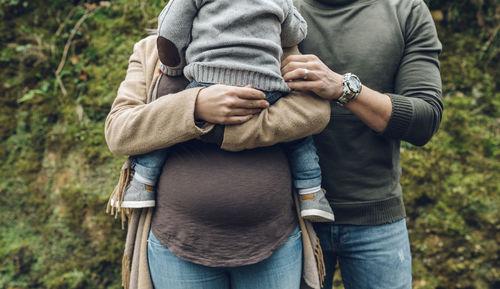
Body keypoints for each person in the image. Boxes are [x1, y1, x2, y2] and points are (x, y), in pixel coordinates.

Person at [105, 35, 331, 289]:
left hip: (275, 240)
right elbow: (119, 131)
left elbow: (313, 112)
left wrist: (219, 130)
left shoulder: (270, 39)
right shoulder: (152, 49)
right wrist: (195, 106)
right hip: (177, 244)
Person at [118, 0, 335, 222]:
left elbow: (170, 31)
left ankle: (142, 181)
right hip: (265, 89)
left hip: (207, 79)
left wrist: (173, 70)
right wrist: (196, 107)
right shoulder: (146, 50)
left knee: (165, 129)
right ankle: (311, 192)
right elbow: (295, 32)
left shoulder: (288, 56)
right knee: (300, 141)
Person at [277, 0, 444, 288]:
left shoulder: (406, 10)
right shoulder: (277, 7)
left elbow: (425, 120)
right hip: (289, 218)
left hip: (377, 217)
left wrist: (344, 88)